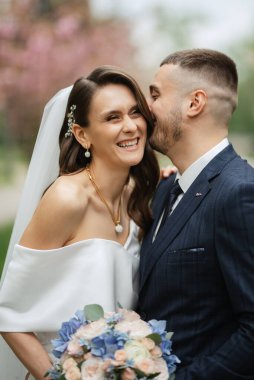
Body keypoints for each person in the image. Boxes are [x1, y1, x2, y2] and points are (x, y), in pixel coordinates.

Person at [0, 66, 160, 380]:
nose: (131, 126)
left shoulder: (138, 198)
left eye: (135, 112)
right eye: (113, 118)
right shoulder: (67, 199)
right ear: (82, 134)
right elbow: (8, 315)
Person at [138, 49, 254, 379]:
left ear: (194, 103)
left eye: (156, 95)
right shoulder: (165, 190)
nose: (147, 108)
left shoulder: (240, 193)